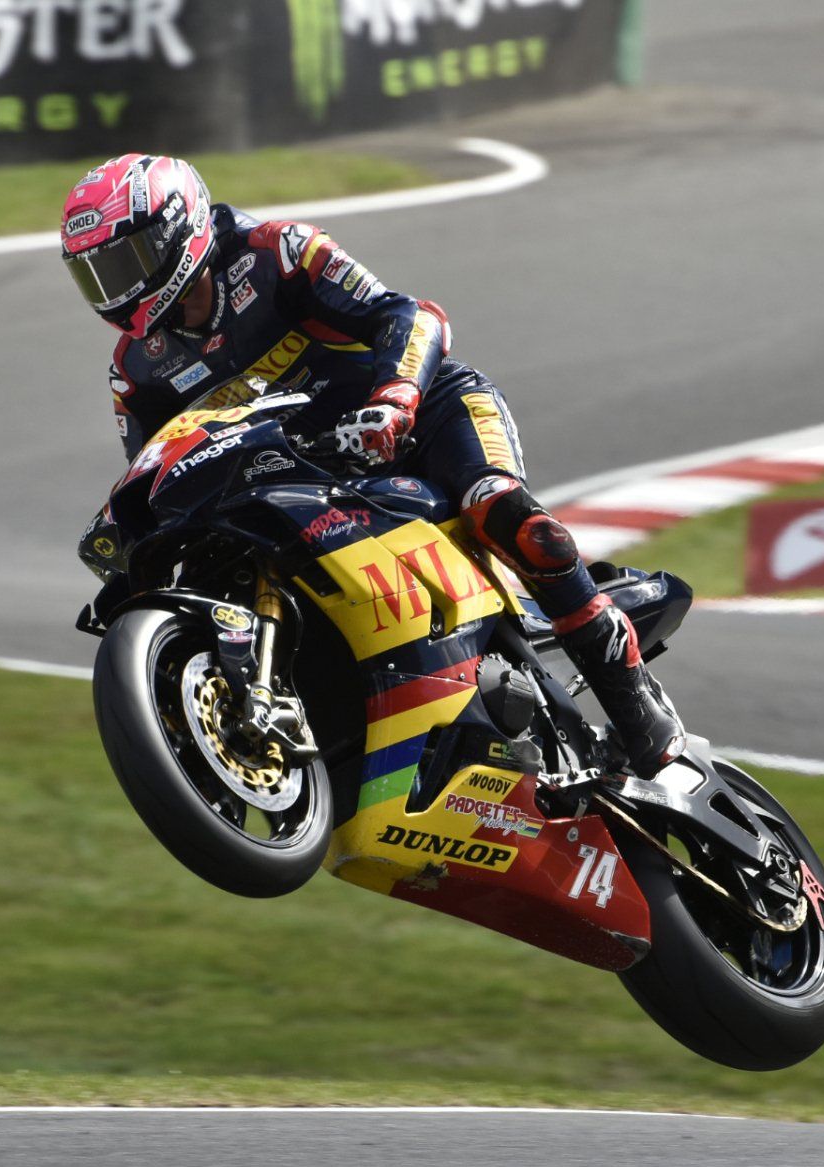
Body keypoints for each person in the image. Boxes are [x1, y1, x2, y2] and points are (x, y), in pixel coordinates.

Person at [61, 153, 685, 779]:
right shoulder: (135, 371)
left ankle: (631, 700)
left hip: (427, 409)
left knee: (508, 513)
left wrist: (394, 400)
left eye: (125, 263)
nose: (117, 290)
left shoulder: (278, 253)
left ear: (178, 229)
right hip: (314, 468)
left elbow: (413, 317)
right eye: (96, 275)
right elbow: (162, 467)